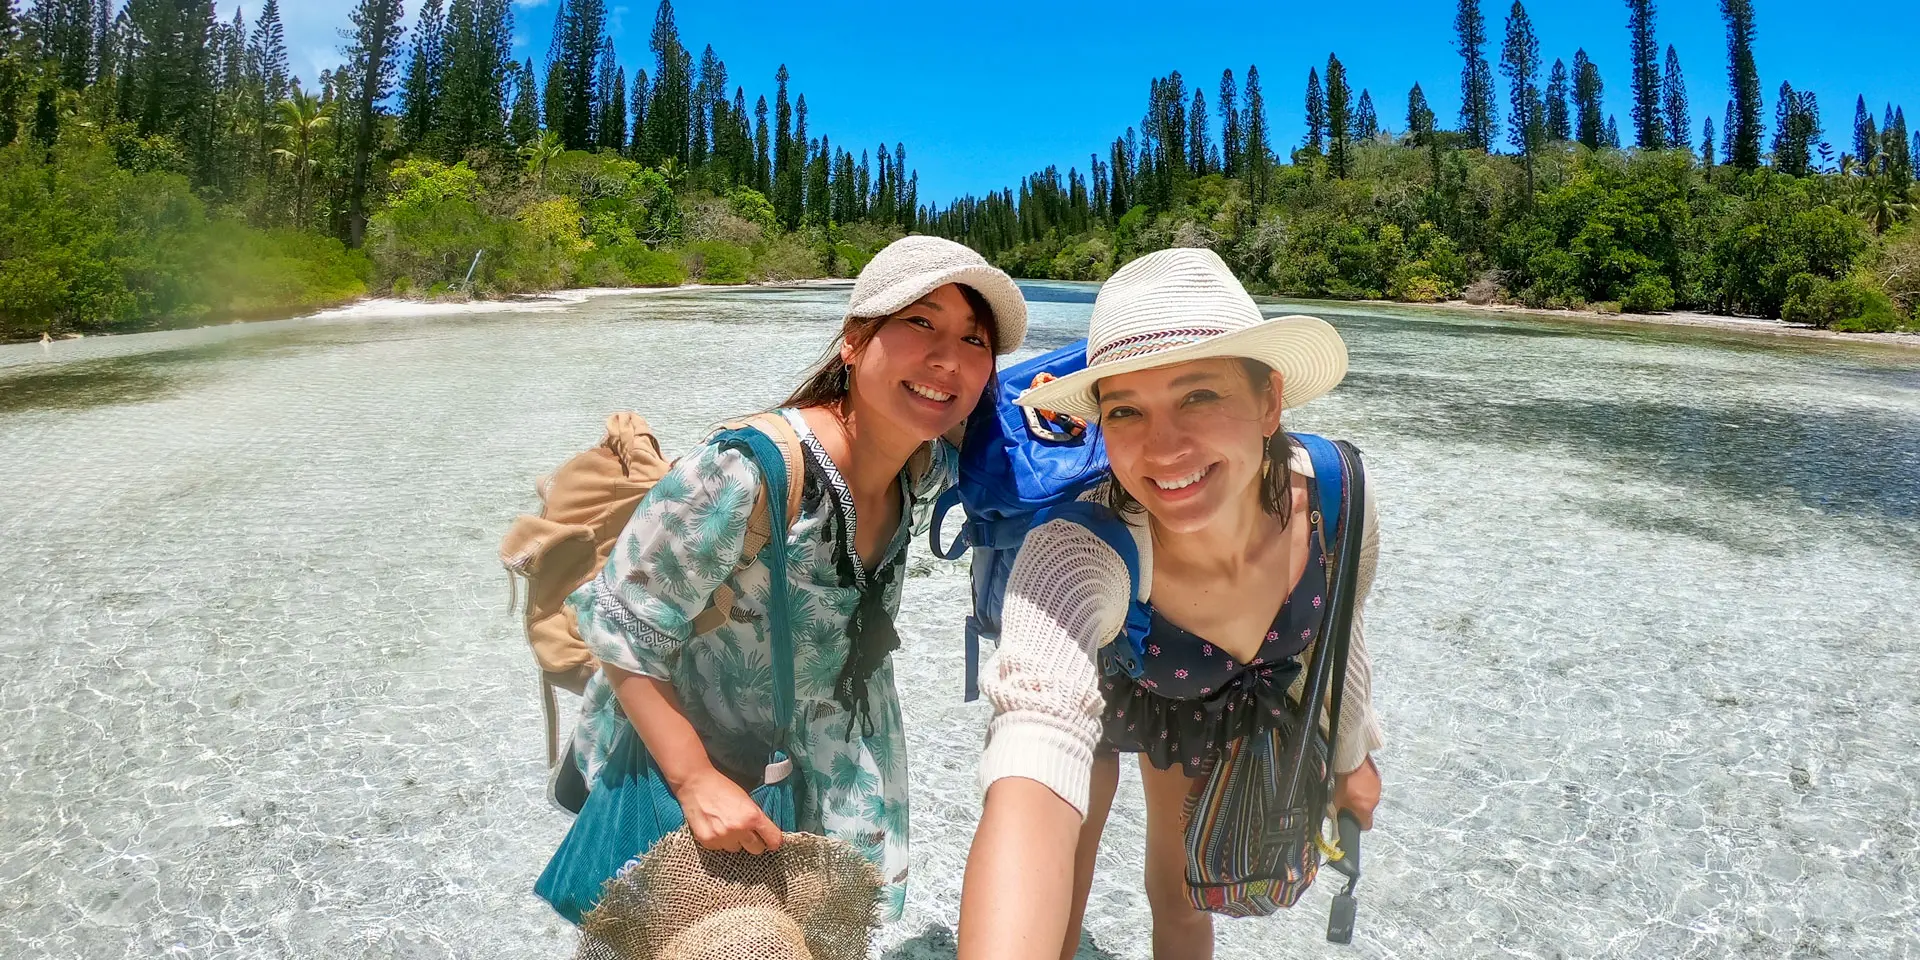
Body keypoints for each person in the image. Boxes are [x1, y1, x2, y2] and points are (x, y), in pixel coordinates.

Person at [569, 236, 1026, 921]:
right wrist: (694, 781)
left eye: (975, 339)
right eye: (920, 322)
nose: (948, 359)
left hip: (830, 757)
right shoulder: (745, 471)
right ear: (854, 341)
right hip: (714, 757)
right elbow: (620, 620)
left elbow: (1043, 438)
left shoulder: (922, 465)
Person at [956, 248, 1383, 960]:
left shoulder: (1341, 500)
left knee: (1180, 893)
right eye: (1126, 409)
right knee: (1067, 854)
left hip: (1193, 696)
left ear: (1270, 401)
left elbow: (1343, 627)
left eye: (1198, 395)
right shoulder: (1078, 549)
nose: (1163, 449)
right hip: (1116, 670)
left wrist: (1350, 754)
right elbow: (1033, 742)